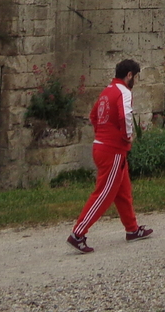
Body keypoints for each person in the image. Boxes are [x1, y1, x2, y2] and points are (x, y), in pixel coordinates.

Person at [67, 59, 154, 253]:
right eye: (136, 76)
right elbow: (125, 116)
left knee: (123, 191)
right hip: (113, 149)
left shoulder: (107, 91)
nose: (136, 80)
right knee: (104, 194)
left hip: (102, 146)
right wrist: (127, 136)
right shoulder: (124, 92)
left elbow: (93, 116)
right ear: (129, 75)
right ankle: (78, 234)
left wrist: (102, 134)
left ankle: (132, 229)